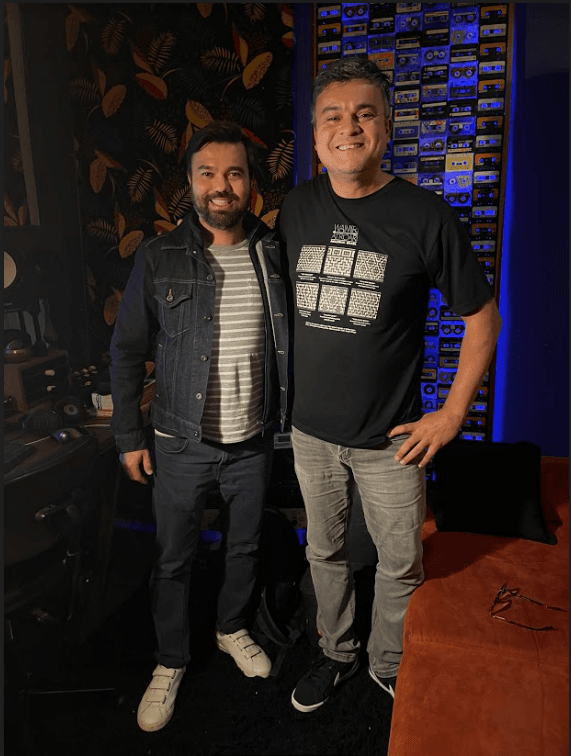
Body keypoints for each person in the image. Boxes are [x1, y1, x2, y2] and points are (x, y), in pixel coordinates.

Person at [276, 57, 502, 713]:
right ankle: (336, 654)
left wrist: (450, 415)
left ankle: (388, 662)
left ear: (387, 125)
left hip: (391, 439)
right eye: (333, 116)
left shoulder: (425, 215)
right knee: (324, 554)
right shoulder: (294, 209)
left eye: (363, 114)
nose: (347, 127)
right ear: (316, 134)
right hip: (310, 433)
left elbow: (482, 318)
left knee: (401, 563)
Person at [109, 121, 289, 732]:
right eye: (207, 173)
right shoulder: (159, 256)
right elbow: (127, 352)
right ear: (188, 182)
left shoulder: (273, 251)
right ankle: (170, 660)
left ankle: (230, 627)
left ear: (250, 183)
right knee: (173, 559)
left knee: (244, 546)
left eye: (234, 173)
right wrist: (128, 437)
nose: (221, 185)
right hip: (180, 441)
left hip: (253, 440)